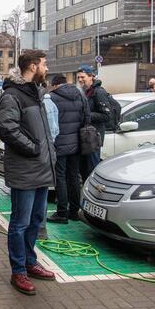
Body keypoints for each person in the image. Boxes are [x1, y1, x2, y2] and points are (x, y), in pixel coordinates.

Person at [0, 50, 57, 295]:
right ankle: (18, 271)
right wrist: (33, 148)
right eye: (44, 64)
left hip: (41, 168)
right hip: (25, 169)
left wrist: (46, 152)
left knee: (35, 220)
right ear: (32, 66)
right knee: (20, 223)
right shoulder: (13, 95)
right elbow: (7, 129)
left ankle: (31, 263)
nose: (47, 68)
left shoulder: (37, 93)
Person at [46, 75, 90, 224]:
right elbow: (87, 118)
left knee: (60, 177)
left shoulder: (52, 97)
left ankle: (61, 213)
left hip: (59, 143)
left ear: (55, 85)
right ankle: (74, 212)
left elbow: (49, 123)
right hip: (76, 143)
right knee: (73, 176)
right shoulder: (80, 94)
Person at [76, 65, 112, 180]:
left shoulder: (98, 92)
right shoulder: (85, 92)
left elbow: (106, 115)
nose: (80, 80)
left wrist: (87, 116)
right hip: (86, 137)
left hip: (93, 138)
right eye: (78, 78)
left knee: (92, 170)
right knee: (84, 170)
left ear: (91, 76)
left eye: (83, 77)